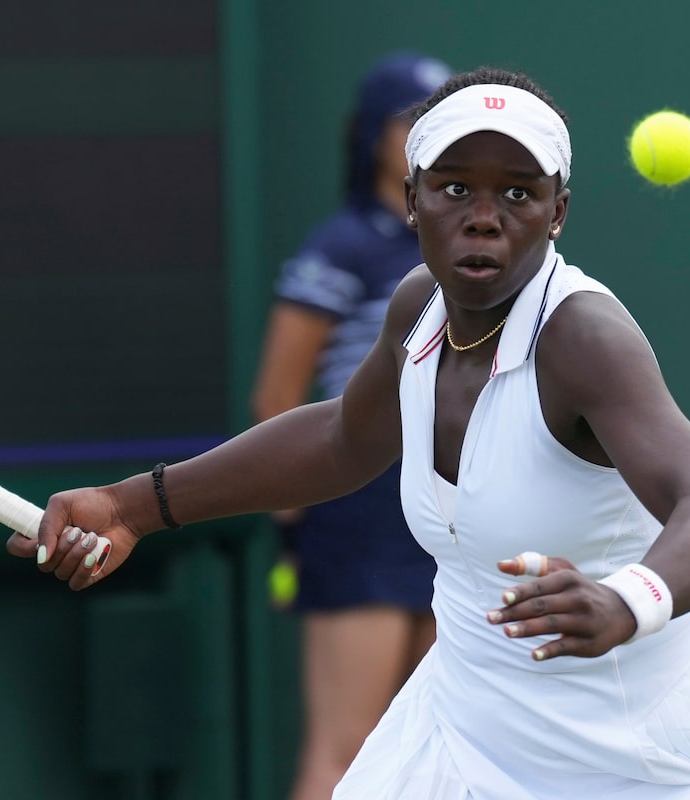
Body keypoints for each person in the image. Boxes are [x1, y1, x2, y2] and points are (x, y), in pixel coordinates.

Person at [10, 66, 690, 800]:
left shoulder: (584, 338)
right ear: (412, 196)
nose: (485, 220)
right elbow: (339, 441)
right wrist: (131, 507)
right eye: (456, 189)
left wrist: (625, 599)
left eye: (519, 194)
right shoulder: (416, 309)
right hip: (462, 731)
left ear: (558, 211)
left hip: (635, 742)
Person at [248, 51, 450, 800]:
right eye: (414, 121)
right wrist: (296, 529)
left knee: (439, 751)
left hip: (450, 513)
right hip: (357, 517)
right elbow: (277, 396)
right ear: (373, 135)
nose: (431, 137)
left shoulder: (461, 245)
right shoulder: (342, 247)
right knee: (347, 756)